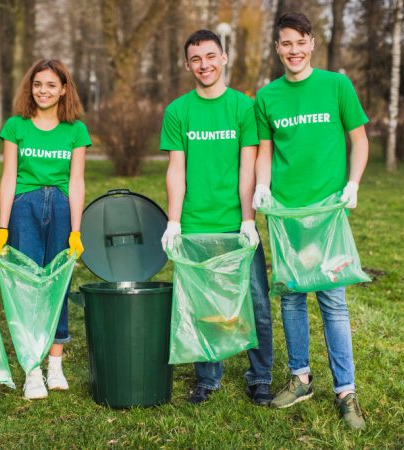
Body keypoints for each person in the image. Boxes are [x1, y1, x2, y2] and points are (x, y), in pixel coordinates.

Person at [252, 12, 368, 430]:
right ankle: (300, 377)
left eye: (300, 42)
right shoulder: (267, 97)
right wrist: (262, 187)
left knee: (333, 300)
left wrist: (353, 183)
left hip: (327, 214)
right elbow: (265, 149)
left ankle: (346, 391)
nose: (293, 50)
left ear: (311, 43)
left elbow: (359, 139)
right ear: (277, 47)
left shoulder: (337, 86)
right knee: (292, 296)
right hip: (286, 215)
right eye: (285, 43)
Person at [160, 29, 274, 406]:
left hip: (234, 222)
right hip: (194, 223)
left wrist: (247, 220)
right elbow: (177, 169)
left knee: (255, 299)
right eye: (196, 59)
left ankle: (260, 376)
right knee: (203, 302)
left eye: (210, 56)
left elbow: (249, 167)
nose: (204, 65)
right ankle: (207, 378)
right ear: (187, 64)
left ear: (224, 58)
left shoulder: (244, 107)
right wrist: (174, 221)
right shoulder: (178, 110)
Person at [0, 59, 90, 400]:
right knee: (29, 287)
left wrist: (76, 230)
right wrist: (3, 226)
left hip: (62, 207)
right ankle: (31, 370)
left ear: (63, 88)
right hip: (24, 208)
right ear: (29, 88)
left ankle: (55, 365)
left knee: (57, 286)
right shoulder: (16, 126)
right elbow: (8, 178)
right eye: (38, 84)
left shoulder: (75, 129)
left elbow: (77, 181)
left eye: (51, 85)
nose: (43, 91)